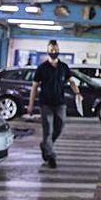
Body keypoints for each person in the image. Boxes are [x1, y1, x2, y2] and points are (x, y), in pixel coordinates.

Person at [27, 40, 82, 169]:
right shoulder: (42, 68)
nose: (53, 52)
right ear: (47, 51)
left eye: (55, 50)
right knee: (48, 131)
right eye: (51, 50)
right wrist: (30, 105)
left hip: (60, 103)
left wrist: (77, 93)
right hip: (45, 103)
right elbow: (34, 87)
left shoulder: (63, 67)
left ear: (58, 50)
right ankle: (51, 156)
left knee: (59, 127)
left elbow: (72, 81)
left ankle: (45, 145)